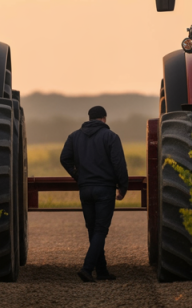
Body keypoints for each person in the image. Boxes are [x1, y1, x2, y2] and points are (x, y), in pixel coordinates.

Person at [60, 106, 129, 283]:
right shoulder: (111, 137)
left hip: (85, 189)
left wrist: (78, 176)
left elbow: (64, 158)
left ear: (89, 118)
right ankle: (87, 269)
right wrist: (123, 187)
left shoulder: (74, 136)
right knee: (100, 230)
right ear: (104, 118)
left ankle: (102, 270)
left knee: (93, 230)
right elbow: (119, 164)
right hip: (105, 189)